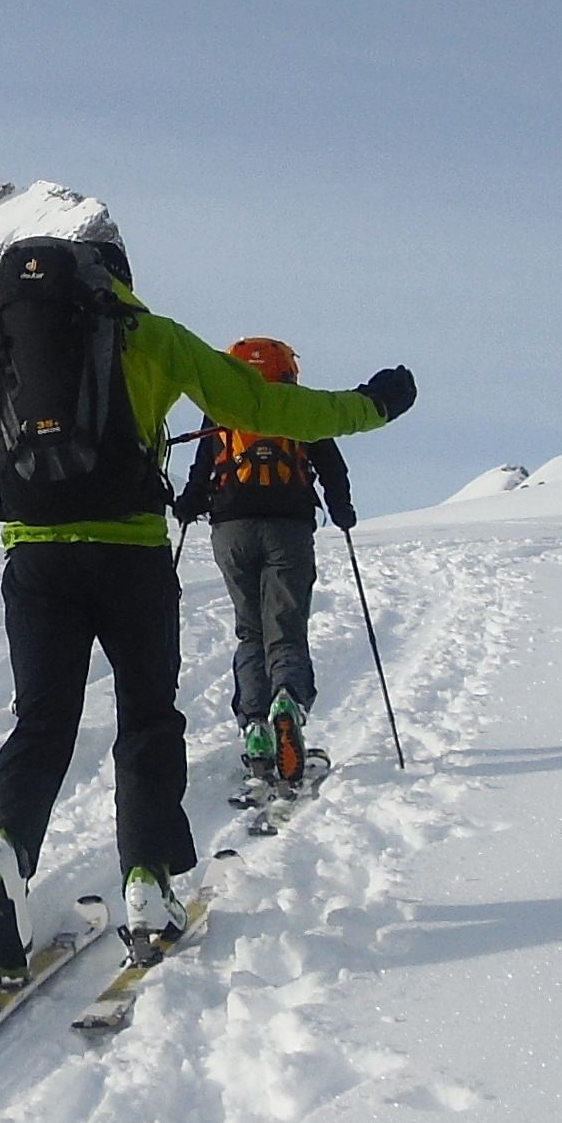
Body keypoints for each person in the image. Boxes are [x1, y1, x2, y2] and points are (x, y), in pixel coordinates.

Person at [0, 236, 413, 971]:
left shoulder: (3, 347)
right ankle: (148, 880)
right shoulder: (153, 338)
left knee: (41, 722)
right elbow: (267, 407)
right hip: (131, 560)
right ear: (120, 285)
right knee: (146, 717)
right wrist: (372, 407)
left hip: (37, 559)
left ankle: (4, 847)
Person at [171, 337, 355, 797]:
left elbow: (201, 468)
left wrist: (190, 504)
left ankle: (254, 726)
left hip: (231, 529)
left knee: (250, 630)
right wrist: (342, 509)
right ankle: (287, 703)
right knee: (286, 630)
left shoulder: (223, 407)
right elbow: (331, 464)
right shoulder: (299, 406)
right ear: (288, 370)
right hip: (289, 527)